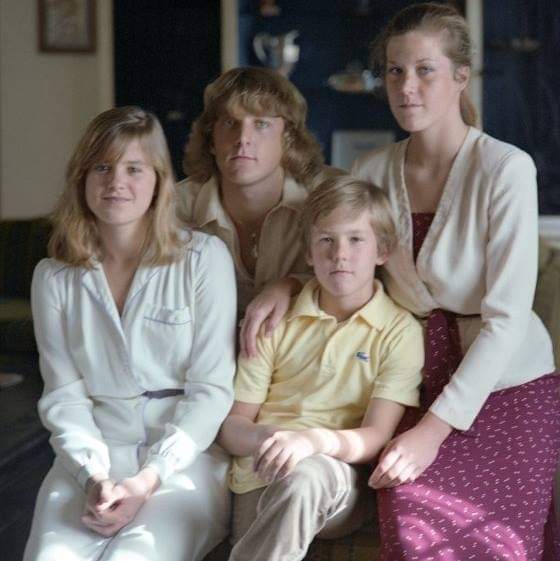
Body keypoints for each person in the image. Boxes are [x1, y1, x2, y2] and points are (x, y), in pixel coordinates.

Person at [350, 3, 560, 560]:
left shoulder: (506, 169)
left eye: (424, 70)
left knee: (496, 547)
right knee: (415, 540)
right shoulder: (368, 172)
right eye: (394, 71)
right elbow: (340, 272)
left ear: (460, 76)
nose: (406, 86)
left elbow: (507, 318)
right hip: (407, 386)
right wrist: (279, 290)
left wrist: (431, 433)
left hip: (507, 388)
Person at [24, 106, 237, 561]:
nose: (115, 182)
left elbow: (212, 391)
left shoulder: (203, 259)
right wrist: (92, 476)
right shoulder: (54, 277)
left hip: (183, 461)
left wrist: (148, 478)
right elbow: (63, 396)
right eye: (101, 167)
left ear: (159, 180)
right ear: (81, 178)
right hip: (91, 456)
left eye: (134, 168)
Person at [218, 174, 424, 561]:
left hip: (337, 479)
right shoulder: (275, 319)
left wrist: (311, 442)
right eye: (326, 240)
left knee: (307, 476)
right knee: (289, 481)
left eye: (355, 240)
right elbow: (232, 427)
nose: (339, 254)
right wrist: (276, 440)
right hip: (260, 476)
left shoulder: (399, 331)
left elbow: (376, 436)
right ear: (309, 253)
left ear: (382, 250)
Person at [177, 66, 330, 347]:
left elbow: (360, 287)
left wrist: (292, 284)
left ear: (288, 138)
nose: (242, 138)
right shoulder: (174, 207)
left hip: (305, 355)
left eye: (261, 124)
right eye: (230, 123)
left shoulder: (330, 197)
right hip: (203, 357)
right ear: (211, 140)